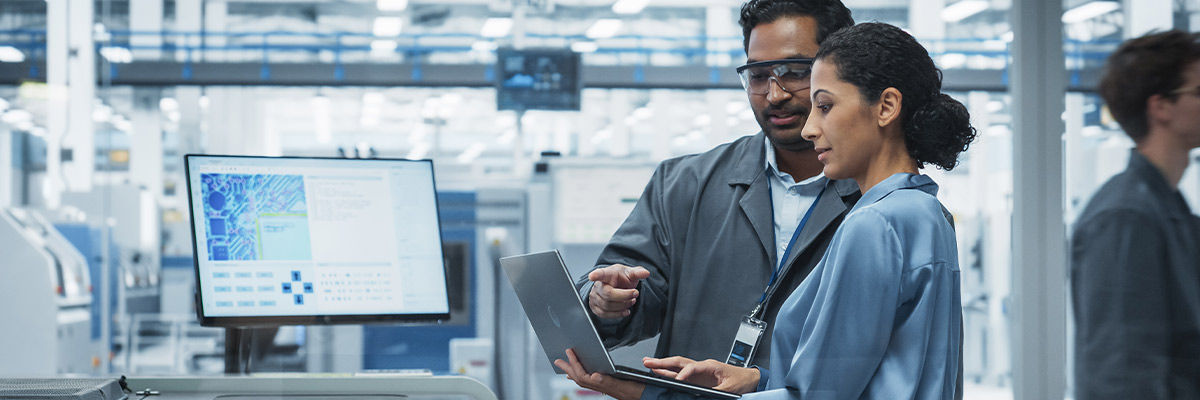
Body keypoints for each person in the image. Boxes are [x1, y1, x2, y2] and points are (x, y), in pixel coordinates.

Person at [561, 22, 973, 399]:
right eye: (758, 76)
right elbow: (868, 376)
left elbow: (814, 396)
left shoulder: (872, 222)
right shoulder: (926, 212)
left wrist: (642, 392)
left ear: (885, 107)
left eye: (824, 105)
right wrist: (757, 380)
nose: (810, 126)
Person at [557, 1, 857, 399]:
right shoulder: (682, 184)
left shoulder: (878, 203)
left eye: (795, 72)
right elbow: (617, 292)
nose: (774, 94)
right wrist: (606, 302)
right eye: (758, 74)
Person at [1071, 30, 1200, 399]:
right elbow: (1123, 374)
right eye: (1198, 92)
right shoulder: (1125, 218)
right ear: (1161, 107)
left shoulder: (1170, 211)